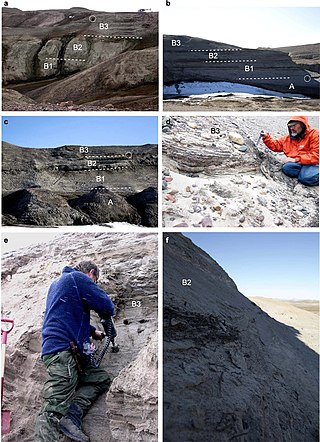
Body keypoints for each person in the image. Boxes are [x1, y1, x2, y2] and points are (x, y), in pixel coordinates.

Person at [34, 261, 115, 442]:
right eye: (95, 281)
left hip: (65, 350)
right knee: (52, 408)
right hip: (62, 352)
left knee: (99, 378)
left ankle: (71, 416)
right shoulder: (77, 278)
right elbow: (106, 306)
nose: (94, 284)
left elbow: (67, 316)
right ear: (91, 273)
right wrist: (106, 318)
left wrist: (92, 331)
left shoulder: (59, 283)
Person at [261, 116, 319, 186]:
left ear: (302, 125)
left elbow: (317, 155)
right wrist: (266, 138)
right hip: (300, 164)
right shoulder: (288, 139)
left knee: (306, 178)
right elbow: (276, 145)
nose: (291, 128)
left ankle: (308, 175)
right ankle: (306, 174)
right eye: (290, 126)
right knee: (287, 168)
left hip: (314, 163)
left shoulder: (314, 134)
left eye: (294, 125)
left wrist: (296, 159)